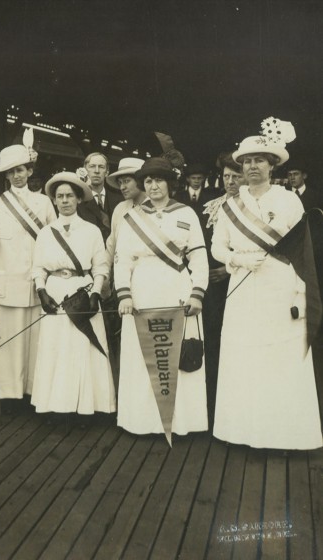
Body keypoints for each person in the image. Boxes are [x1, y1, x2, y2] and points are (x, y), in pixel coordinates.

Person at [212, 134, 323, 449]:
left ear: (272, 165)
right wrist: (237, 258)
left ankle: (285, 435)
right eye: (246, 161)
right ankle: (242, 432)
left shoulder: (288, 200)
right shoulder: (230, 205)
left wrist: (300, 292)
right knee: (245, 357)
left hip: (280, 283)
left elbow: (302, 248)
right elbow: (217, 247)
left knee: (280, 358)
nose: (252, 166)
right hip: (244, 285)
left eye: (259, 160)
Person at [115, 157, 209, 436]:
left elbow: (198, 256)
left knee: (178, 355)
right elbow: (122, 261)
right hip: (142, 292)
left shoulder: (187, 214)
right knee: (143, 355)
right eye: (148, 181)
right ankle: (143, 421)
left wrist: (197, 293)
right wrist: (124, 295)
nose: (153, 186)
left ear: (170, 183)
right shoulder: (131, 217)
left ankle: (182, 423)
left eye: (159, 180)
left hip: (177, 290)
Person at [31, 172, 116, 416]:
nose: (65, 200)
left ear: (79, 199)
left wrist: (96, 292)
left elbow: (101, 265)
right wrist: (41, 290)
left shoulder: (91, 231)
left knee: (83, 347)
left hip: (83, 290)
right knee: (56, 348)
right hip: (56, 291)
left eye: (70, 195)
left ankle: (88, 406)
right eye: (60, 196)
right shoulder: (46, 232)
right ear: (54, 201)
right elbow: (38, 267)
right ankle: (56, 406)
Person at [0, 144, 56, 405]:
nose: (17, 176)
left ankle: (32, 392)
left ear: (29, 170)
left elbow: (53, 242)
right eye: (11, 172)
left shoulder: (44, 202)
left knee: (34, 342)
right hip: (5, 281)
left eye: (21, 170)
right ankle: (3, 394)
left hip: (35, 283)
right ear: (6, 176)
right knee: (7, 342)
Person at [200, 153, 244, 424]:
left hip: (238, 279)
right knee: (213, 337)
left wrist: (227, 270)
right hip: (212, 286)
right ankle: (214, 401)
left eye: (235, 176)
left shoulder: (252, 207)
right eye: (226, 176)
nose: (230, 181)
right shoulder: (212, 207)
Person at [102, 157, 146, 388]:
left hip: (149, 282)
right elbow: (112, 244)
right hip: (123, 281)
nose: (123, 186)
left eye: (127, 181)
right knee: (124, 338)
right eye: (120, 182)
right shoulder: (120, 208)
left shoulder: (158, 205)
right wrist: (105, 277)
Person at [77, 152, 124, 241]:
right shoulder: (78, 201)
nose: (97, 171)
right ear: (85, 171)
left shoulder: (120, 200)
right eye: (92, 166)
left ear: (107, 172)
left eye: (101, 167)